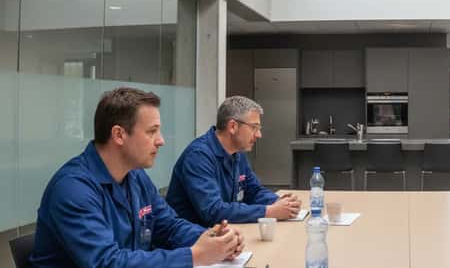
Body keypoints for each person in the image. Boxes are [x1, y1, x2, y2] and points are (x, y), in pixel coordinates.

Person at [30, 87, 243, 268]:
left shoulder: (135, 176)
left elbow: (168, 226)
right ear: (119, 135)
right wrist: (195, 255)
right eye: (152, 132)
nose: (160, 141)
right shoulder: (73, 189)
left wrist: (216, 239)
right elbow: (107, 262)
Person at [167, 96, 300, 227]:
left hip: (224, 233)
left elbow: (253, 191)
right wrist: (269, 211)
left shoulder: (237, 153)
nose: (259, 135)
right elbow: (213, 211)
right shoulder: (198, 157)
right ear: (232, 126)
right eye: (254, 127)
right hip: (193, 240)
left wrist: (281, 203)